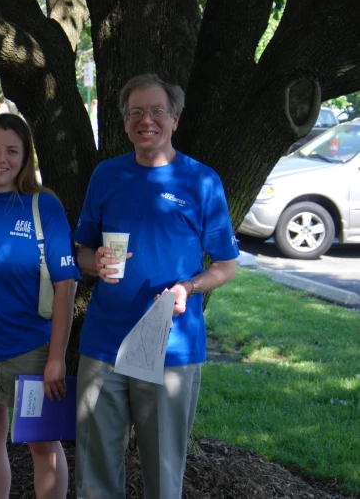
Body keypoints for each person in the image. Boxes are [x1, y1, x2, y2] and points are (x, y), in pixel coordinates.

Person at [73, 73, 239, 499]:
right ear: (126, 122)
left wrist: (189, 286)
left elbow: (226, 265)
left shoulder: (201, 181)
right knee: (94, 475)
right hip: (104, 344)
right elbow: (80, 251)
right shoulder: (106, 176)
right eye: (136, 112)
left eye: (157, 111)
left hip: (171, 346)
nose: (147, 120)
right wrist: (95, 262)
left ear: (175, 119)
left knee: (164, 478)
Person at [0, 113, 80, 498]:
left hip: (31, 351)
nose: (1, 158)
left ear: (25, 158)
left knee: (42, 444)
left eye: (12, 150)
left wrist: (56, 357)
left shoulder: (44, 207)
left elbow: (66, 286)